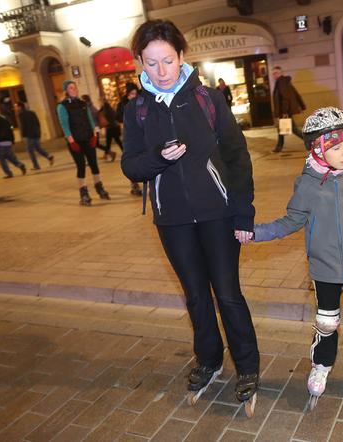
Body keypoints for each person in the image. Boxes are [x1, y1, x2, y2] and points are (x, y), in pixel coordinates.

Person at [121, 19, 260, 415]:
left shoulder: (208, 99)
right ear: (140, 63)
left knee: (228, 294)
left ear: (182, 56)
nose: (161, 72)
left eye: (167, 60)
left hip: (218, 216)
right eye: (151, 63)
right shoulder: (138, 110)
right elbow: (130, 166)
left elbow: (236, 156)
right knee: (196, 296)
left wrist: (243, 213)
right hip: (173, 221)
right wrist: (155, 159)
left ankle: (247, 366)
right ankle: (210, 360)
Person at [245, 107, 343, 411]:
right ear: (318, 148)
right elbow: (290, 221)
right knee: (326, 323)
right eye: (336, 147)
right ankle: (321, 366)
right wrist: (255, 233)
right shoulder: (307, 186)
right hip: (324, 271)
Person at [57, 80, 111, 205]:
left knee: (94, 164)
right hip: (75, 141)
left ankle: (99, 187)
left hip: (88, 138)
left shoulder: (83, 103)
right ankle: (83, 192)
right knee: (81, 166)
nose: (74, 90)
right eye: (71, 88)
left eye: (75, 87)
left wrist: (94, 135)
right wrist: (71, 141)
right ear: (66, 90)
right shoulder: (62, 106)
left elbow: (90, 120)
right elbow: (64, 125)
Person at [115, 83, 142, 196]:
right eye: (131, 94)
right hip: (129, 135)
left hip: (142, 134)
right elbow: (118, 117)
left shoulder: (141, 102)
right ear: (127, 95)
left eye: (135, 93)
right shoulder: (122, 104)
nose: (133, 96)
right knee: (132, 160)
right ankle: (134, 184)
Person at [0, 103, 27, 179]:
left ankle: (8, 173)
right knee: (10, 156)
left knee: (2, 159)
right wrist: (12, 139)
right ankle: (20, 165)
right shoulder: (3, 118)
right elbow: (10, 129)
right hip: (7, 141)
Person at [271, 66, 306, 153]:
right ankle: (279, 147)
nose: (275, 75)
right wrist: (302, 105)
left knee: (293, 129)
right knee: (282, 129)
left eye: (276, 73)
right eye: (273, 74)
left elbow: (285, 98)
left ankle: (311, 141)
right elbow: (295, 93)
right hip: (285, 111)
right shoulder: (285, 82)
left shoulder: (281, 82)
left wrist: (284, 112)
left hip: (285, 111)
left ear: (281, 73)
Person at [15, 101, 54, 170]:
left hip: (29, 135)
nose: (15, 108)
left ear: (20, 107)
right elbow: (37, 122)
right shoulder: (32, 112)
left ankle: (36, 165)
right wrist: (38, 132)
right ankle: (49, 156)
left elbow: (23, 126)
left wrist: (23, 135)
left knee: (30, 151)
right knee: (37, 148)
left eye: (16, 106)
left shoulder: (21, 114)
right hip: (36, 133)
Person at [82, 94, 116, 162]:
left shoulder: (89, 108)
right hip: (94, 128)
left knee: (94, 144)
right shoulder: (90, 106)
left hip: (94, 129)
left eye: (82, 100)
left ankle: (110, 153)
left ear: (85, 100)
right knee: (94, 144)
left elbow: (91, 118)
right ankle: (109, 153)